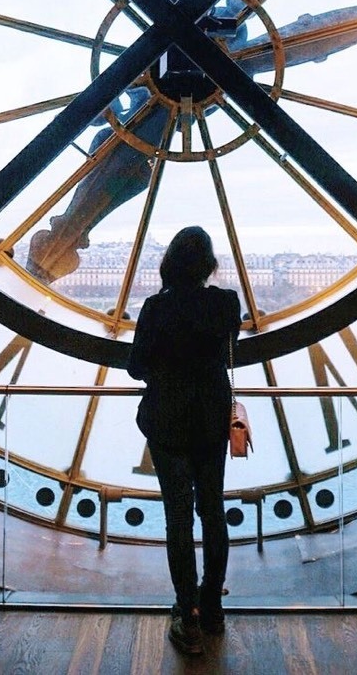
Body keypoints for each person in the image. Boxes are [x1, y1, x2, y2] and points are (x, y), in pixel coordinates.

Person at [128, 226, 241, 655]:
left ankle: (186, 608)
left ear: (169, 264)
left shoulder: (156, 308)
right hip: (211, 418)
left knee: (178, 517)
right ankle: (212, 606)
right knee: (213, 510)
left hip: (167, 420)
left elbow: (136, 367)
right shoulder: (225, 303)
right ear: (209, 266)